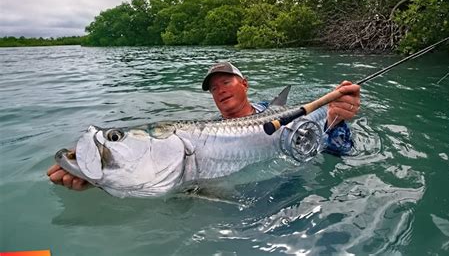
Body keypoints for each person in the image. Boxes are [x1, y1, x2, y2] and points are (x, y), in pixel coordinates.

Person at [47, 62, 360, 191]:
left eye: (226, 82)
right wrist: (103, 179)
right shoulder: (205, 129)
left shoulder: (279, 115)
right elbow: (172, 184)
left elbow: (337, 151)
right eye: (213, 88)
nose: (220, 90)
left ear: (245, 84)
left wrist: (335, 119)